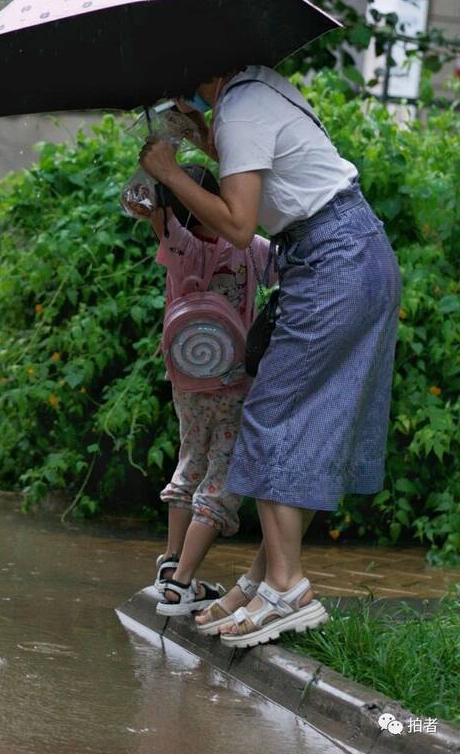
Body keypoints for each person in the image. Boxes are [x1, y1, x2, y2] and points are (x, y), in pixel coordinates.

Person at [139, 65, 401, 648]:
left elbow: (237, 224)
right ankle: (264, 581)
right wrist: (206, 139)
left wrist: (169, 173)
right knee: (303, 424)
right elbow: (270, 177)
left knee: (272, 415)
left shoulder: (242, 108)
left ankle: (288, 587)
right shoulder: (256, 89)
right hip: (349, 256)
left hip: (335, 265)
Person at [125, 163, 273, 616]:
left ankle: (171, 565)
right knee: (222, 475)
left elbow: (140, 200)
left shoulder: (179, 245)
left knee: (190, 459)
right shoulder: (250, 249)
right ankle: (182, 585)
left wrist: (156, 169)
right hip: (231, 382)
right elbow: (290, 262)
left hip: (186, 378)